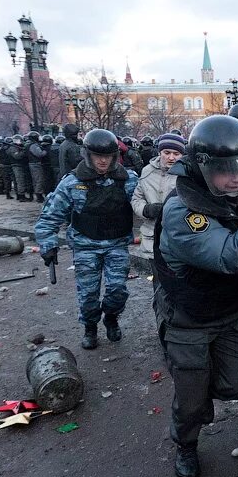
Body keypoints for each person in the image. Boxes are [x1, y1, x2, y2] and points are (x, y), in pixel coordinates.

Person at [152, 114, 238, 477]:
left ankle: (199, 400)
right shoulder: (182, 210)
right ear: (201, 168)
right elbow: (230, 255)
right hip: (188, 318)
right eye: (226, 169)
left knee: (235, 386)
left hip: (230, 313)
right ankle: (186, 442)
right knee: (192, 399)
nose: (236, 177)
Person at [35, 129, 138, 350]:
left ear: (114, 156)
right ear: (87, 155)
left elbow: (147, 204)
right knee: (89, 294)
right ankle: (90, 326)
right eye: (97, 156)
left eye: (108, 156)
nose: (102, 161)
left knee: (117, 291)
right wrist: (48, 244)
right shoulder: (72, 182)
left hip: (117, 245)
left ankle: (111, 317)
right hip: (85, 246)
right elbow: (50, 216)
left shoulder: (128, 180)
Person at [130, 133, 185, 257]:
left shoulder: (187, 174)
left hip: (179, 238)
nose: (171, 157)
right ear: (160, 152)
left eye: (176, 154)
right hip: (152, 238)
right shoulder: (147, 171)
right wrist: (145, 210)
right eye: (167, 152)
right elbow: (137, 198)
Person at [26, 131, 49, 202]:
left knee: (37, 180)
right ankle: (39, 195)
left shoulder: (29, 144)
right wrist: (46, 150)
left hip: (33, 164)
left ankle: (38, 194)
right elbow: (40, 154)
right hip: (35, 164)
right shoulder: (33, 145)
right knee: (39, 179)